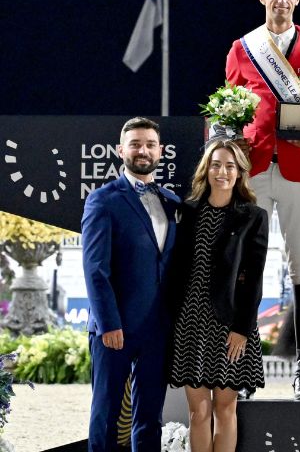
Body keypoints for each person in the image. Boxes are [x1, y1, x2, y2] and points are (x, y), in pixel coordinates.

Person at [224, 0, 300, 399]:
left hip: (297, 169)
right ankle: (246, 369)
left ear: (297, 0)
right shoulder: (242, 48)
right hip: (253, 168)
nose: (282, 0)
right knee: (247, 267)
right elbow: (227, 107)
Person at [82, 117, 181, 452]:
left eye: (150, 144)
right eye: (136, 144)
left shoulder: (172, 202)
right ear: (120, 150)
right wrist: (109, 323)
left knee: (150, 418)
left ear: (160, 151)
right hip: (115, 329)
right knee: (107, 416)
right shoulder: (103, 200)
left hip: (158, 330)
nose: (143, 150)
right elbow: (96, 270)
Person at [168, 139, 269, 452]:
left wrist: (242, 328)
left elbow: (253, 278)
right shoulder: (187, 212)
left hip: (231, 327)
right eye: (215, 164)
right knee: (198, 413)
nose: (222, 171)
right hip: (190, 323)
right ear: (206, 170)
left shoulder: (254, 216)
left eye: (229, 166)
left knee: (225, 410)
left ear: (239, 173)